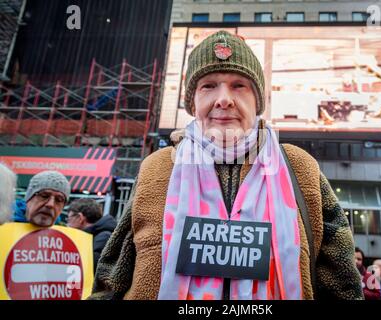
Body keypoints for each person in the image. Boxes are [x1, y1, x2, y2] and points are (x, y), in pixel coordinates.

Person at [90, 30, 363, 300]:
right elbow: (113, 275)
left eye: (238, 85)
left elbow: (341, 280)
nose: (224, 99)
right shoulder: (157, 168)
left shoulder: (300, 167)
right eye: (208, 85)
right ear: (193, 102)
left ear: (257, 101)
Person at [67, 198, 117, 271]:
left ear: (80, 218)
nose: (68, 224)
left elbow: (89, 270)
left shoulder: (103, 238)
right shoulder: (102, 235)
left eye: (69, 219)